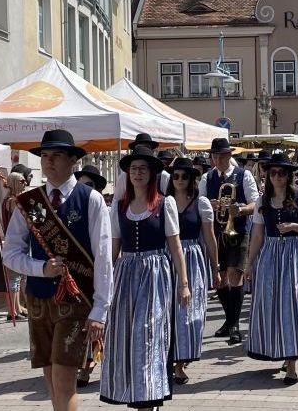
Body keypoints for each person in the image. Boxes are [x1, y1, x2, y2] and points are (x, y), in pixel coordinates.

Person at [1, 130, 111, 411]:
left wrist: (100, 309)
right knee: (50, 376)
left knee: (64, 378)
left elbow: (103, 257)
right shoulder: (30, 203)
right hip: (39, 300)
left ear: (73, 160)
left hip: (75, 301)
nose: (49, 162)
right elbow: (10, 253)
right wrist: (40, 268)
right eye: (45, 156)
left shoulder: (91, 199)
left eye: (57, 155)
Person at [100, 144, 191, 410]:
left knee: (148, 333)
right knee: (125, 335)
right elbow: (113, 250)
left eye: (143, 169)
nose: (137, 173)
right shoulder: (118, 207)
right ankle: (135, 392)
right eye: (133, 169)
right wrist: (104, 283)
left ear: (152, 174)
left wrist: (183, 284)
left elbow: (175, 247)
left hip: (155, 274)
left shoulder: (165, 204)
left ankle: (149, 396)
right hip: (126, 274)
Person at [243, 153, 298, 385]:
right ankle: (279, 349)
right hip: (269, 256)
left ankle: (292, 364)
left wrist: (295, 226)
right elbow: (257, 235)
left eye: (281, 173)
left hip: (294, 254)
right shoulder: (262, 200)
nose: (277, 176)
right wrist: (249, 265)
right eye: (273, 172)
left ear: (289, 176)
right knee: (271, 305)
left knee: (293, 305)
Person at [166, 158, 220, 385]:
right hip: (168, 258)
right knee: (168, 311)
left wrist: (215, 268)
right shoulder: (163, 202)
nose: (179, 180)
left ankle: (181, 362)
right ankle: (171, 362)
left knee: (189, 313)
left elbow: (209, 237)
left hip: (193, 257)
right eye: (175, 176)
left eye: (184, 176)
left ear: (191, 179)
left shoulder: (201, 203)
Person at [199, 138, 258, 344]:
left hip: (238, 230)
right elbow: (200, 202)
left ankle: (233, 325)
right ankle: (230, 320)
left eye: (222, 156)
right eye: (215, 156)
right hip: (216, 231)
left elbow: (254, 204)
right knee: (220, 278)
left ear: (229, 156)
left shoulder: (244, 175)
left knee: (235, 275)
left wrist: (240, 209)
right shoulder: (207, 178)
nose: (218, 160)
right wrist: (210, 205)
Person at [70, 164, 108, 386]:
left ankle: (89, 367)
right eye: (82, 184)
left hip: (101, 274)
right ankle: (83, 365)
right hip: (76, 275)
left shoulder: (105, 209)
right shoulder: (70, 210)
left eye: (90, 185)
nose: (85, 188)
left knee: (99, 322)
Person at [1, 170, 29, 321]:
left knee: (18, 277)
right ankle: (12, 311)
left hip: (16, 243)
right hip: (13, 244)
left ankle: (17, 308)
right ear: (13, 183)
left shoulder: (10, 200)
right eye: (22, 181)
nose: (25, 184)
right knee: (13, 279)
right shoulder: (12, 201)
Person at [112, 133, 170, 201]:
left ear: (152, 151)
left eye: (146, 147)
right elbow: (116, 200)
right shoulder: (124, 177)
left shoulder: (163, 176)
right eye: (139, 148)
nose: (142, 150)